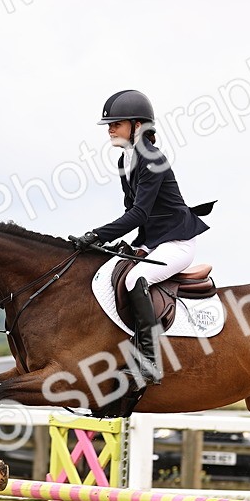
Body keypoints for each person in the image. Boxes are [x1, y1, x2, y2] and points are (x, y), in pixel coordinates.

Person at [74, 89, 212, 385]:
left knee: (135, 280)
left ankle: (149, 361)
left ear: (137, 125)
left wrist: (96, 235)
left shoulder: (151, 158)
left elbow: (138, 213)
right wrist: (111, 244)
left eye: (116, 124)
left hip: (177, 242)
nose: (110, 129)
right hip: (152, 240)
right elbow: (130, 209)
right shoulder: (126, 161)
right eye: (109, 125)